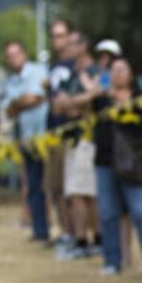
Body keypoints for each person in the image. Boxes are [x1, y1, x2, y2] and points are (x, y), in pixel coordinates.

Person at [90, 57, 142, 276]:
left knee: (141, 213)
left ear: (131, 74)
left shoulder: (141, 98)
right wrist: (94, 91)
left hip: (134, 163)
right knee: (108, 214)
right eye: (113, 70)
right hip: (105, 160)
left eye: (122, 69)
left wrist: (119, 99)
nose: (117, 73)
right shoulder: (101, 99)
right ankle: (112, 261)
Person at [51, 30, 101, 259]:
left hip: (87, 138)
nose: (67, 48)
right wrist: (78, 102)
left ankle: (92, 239)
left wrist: (77, 103)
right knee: (74, 190)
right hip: (72, 138)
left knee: (85, 191)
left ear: (83, 46)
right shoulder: (71, 74)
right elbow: (59, 105)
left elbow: (95, 97)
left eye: (72, 44)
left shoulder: (95, 71)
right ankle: (81, 238)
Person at [3, 41, 51, 243]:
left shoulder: (37, 71)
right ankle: (39, 230)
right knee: (32, 184)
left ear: (24, 53)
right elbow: (9, 110)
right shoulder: (12, 81)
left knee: (50, 184)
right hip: (26, 138)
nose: (14, 59)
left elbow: (37, 98)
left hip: (44, 136)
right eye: (10, 56)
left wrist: (19, 103)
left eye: (16, 54)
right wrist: (23, 101)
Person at [45, 18, 78, 253]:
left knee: (71, 190)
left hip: (71, 133)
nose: (57, 40)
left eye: (61, 35)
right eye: (54, 36)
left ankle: (75, 234)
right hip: (53, 132)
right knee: (55, 187)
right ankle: (65, 232)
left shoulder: (75, 67)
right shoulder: (55, 67)